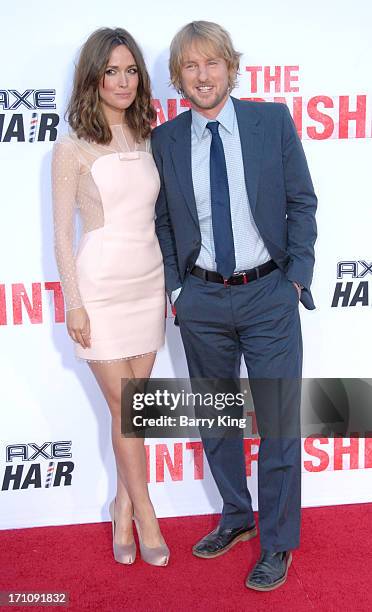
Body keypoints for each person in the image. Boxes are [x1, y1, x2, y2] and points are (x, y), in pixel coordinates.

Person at [152, 21, 317, 590]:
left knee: (276, 424)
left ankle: (277, 543)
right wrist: (178, 291)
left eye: (212, 63)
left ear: (230, 67)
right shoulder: (166, 140)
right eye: (191, 66)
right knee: (219, 422)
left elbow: (302, 200)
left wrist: (296, 278)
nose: (203, 76)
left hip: (270, 297)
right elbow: (165, 223)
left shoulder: (270, 121)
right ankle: (237, 516)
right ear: (178, 77)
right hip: (201, 301)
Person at [52, 27, 169, 566]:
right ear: (93, 78)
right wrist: (73, 301)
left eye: (131, 70)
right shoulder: (71, 147)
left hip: (148, 285)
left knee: (134, 415)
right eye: (111, 71)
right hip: (99, 289)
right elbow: (61, 235)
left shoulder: (149, 136)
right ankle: (146, 514)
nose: (123, 81)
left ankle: (121, 509)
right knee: (126, 408)